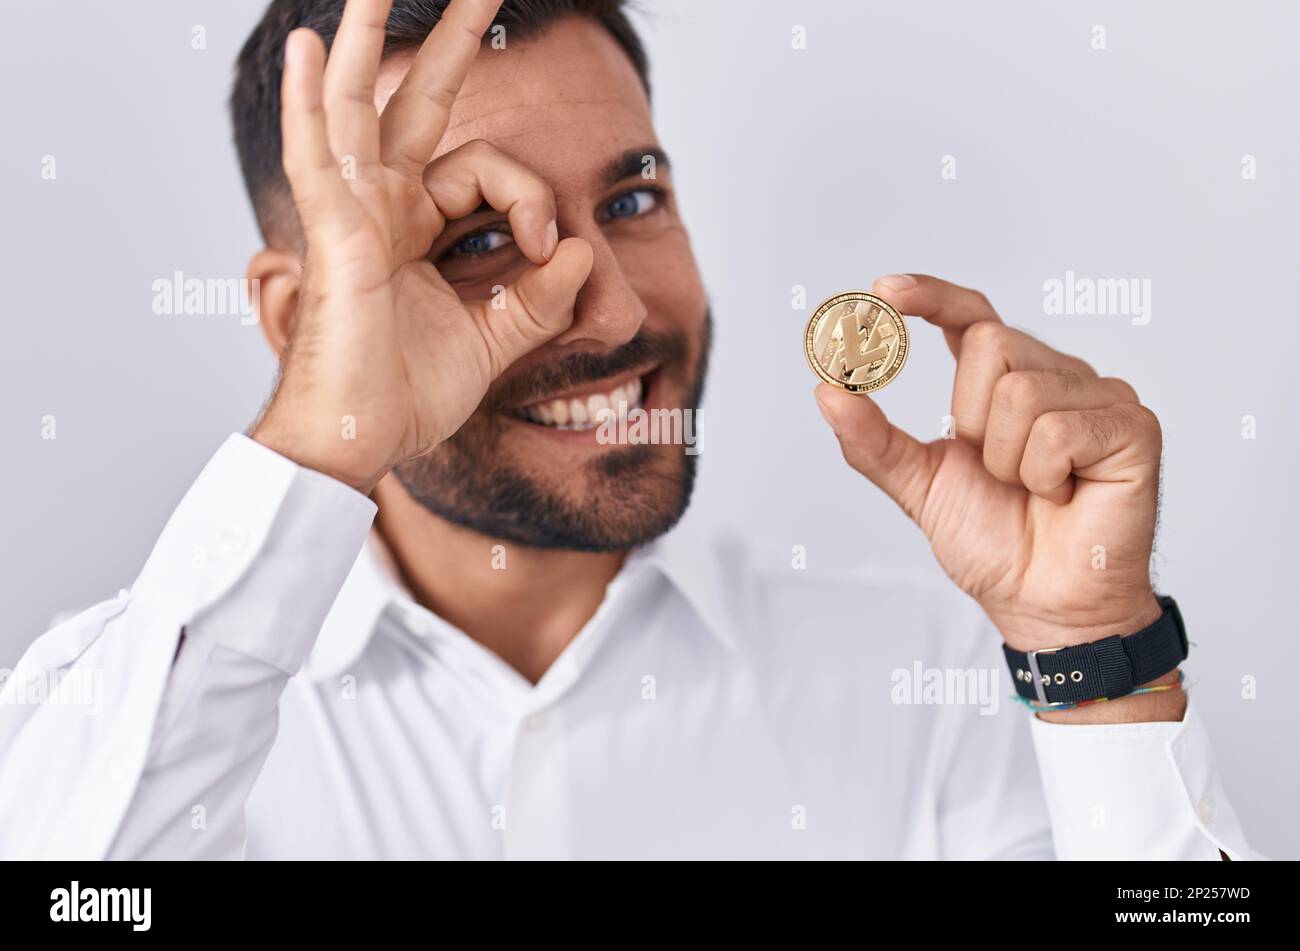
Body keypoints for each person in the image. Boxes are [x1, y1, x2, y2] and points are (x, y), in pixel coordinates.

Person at [0, 0, 1253, 859]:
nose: (611, 304)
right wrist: (318, 436)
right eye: (476, 240)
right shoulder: (109, 707)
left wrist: (1090, 653)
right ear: (298, 319)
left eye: (635, 197)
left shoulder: (935, 672)